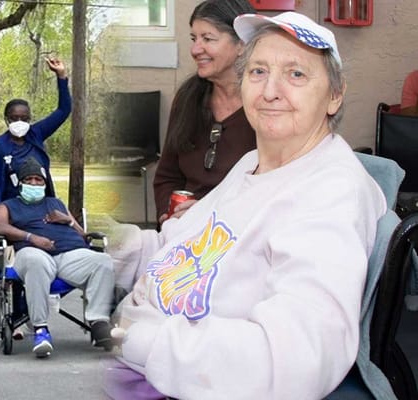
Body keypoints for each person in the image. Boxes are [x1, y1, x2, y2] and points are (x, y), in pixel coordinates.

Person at [104, 12, 387, 399]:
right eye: (257, 71)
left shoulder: (330, 192)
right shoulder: (252, 164)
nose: (270, 91)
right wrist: (110, 246)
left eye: (296, 74)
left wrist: (136, 339)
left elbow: (292, 361)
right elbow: (186, 245)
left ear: (334, 96)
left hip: (170, 375)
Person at [0, 157, 115, 358]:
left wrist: (68, 221)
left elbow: (83, 235)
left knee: (103, 261)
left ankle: (99, 321)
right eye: (28, 180)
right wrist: (31, 237)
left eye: (39, 180)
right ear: (20, 184)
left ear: (45, 183)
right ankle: (40, 329)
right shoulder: (9, 206)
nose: (34, 184)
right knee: (36, 261)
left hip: (68, 255)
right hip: (31, 253)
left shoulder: (55, 203)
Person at [152, 0, 257, 223]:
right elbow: (166, 177)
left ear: (242, 45)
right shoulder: (188, 98)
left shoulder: (266, 105)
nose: (195, 49)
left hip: (239, 237)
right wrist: (168, 216)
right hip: (182, 232)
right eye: (194, 39)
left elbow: (272, 193)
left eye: (207, 39)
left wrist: (207, 214)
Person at [0, 57, 70, 209]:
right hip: (12, 206)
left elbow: (64, 110)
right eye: (14, 118)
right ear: (7, 119)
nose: (19, 122)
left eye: (24, 118)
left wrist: (61, 76)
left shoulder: (36, 133)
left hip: (42, 204)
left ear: (29, 119)